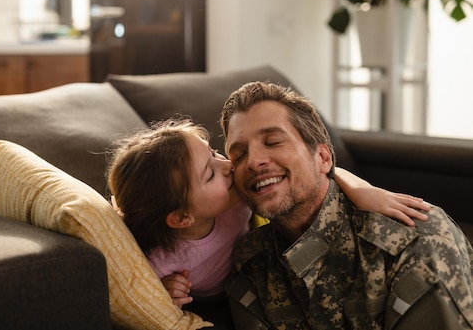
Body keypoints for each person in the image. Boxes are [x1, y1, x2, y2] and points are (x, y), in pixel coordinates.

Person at [107, 117, 430, 327]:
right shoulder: (160, 259)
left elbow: (318, 173)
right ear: (181, 218)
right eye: (210, 173)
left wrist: (363, 190)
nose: (228, 166)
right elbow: (132, 302)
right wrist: (165, 292)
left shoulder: (235, 199)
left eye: (216, 155)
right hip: (235, 300)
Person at [220, 81, 473, 329]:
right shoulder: (249, 265)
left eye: (273, 141)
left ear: (322, 158)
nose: (253, 161)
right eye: (239, 154)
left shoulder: (415, 243)